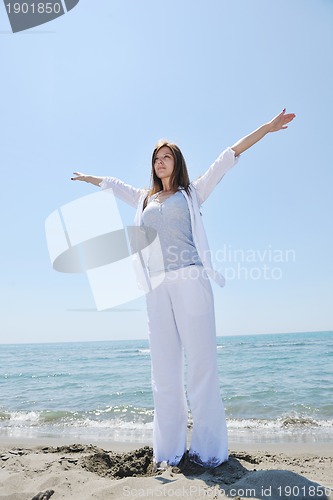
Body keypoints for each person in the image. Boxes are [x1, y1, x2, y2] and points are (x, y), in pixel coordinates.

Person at [71, 108, 296, 468]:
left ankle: (208, 451)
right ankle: (170, 451)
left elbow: (228, 157)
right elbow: (113, 184)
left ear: (177, 163)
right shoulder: (143, 198)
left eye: (167, 157)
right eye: (156, 158)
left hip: (191, 280)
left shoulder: (193, 192)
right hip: (156, 288)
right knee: (164, 372)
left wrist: (267, 129)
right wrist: (88, 178)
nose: (161, 162)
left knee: (202, 366)